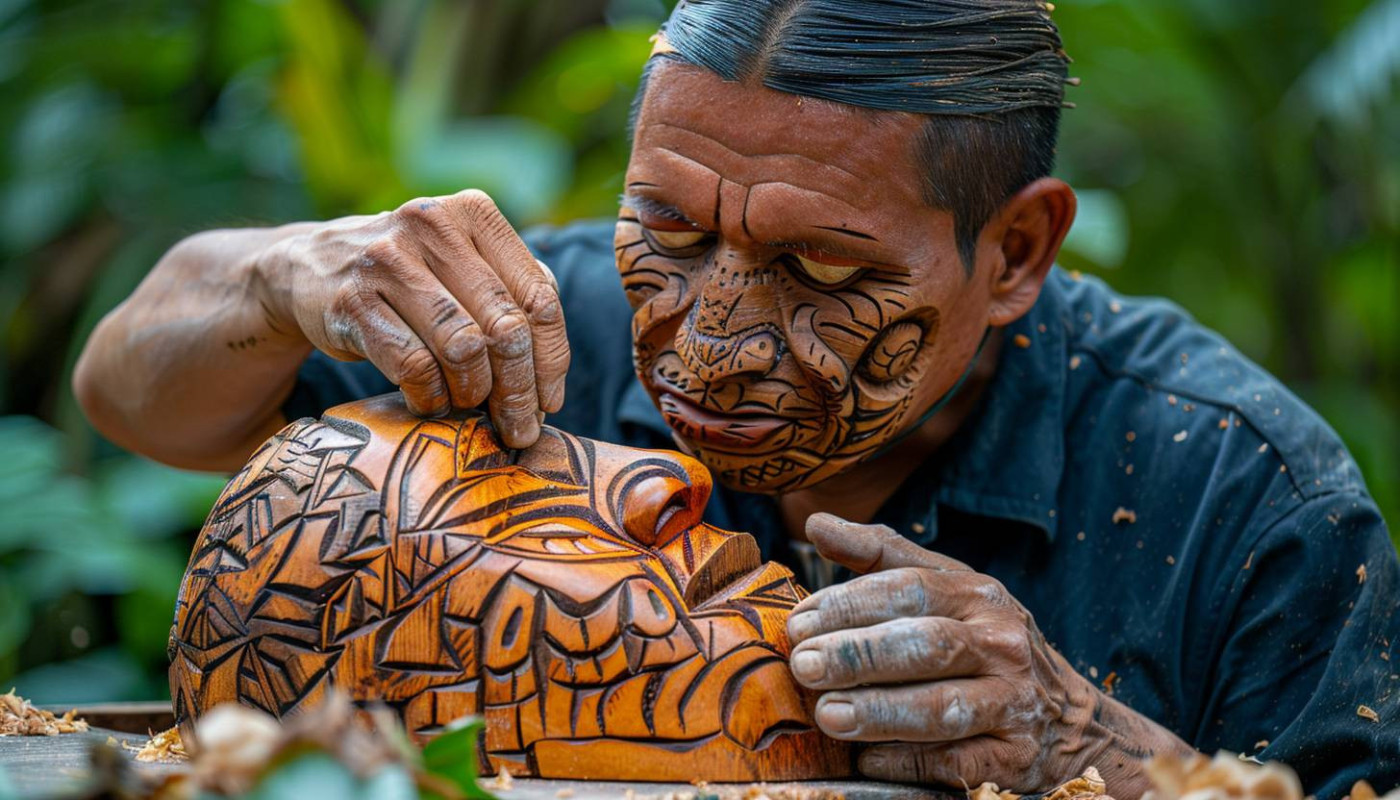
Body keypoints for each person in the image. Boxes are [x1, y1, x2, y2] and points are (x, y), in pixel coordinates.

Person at [73, 1, 1397, 798]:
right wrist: (280, 275)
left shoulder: (1235, 498)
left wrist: (1088, 748)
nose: (705, 343)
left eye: (823, 271)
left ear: (1014, 252)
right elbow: (133, 400)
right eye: (671, 229)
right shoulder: (530, 323)